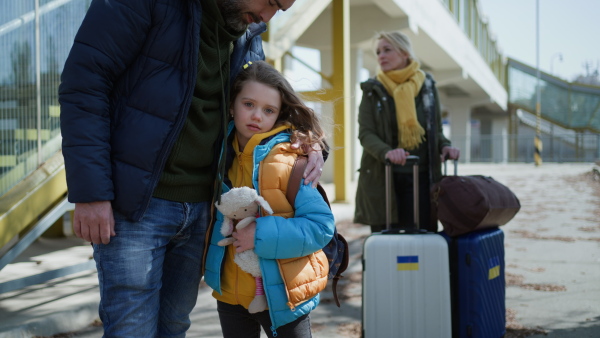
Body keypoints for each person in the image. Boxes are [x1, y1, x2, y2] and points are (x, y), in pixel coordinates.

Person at [58, 0, 325, 336]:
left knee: (173, 326)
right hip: (136, 206)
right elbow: (85, 85)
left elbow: (265, 105)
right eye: (271, 1)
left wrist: (311, 142)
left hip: (204, 210)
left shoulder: (247, 28)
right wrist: (92, 192)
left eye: (281, 9)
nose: (268, 16)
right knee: (131, 329)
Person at [203, 61, 335, 338]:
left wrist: (259, 234)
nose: (256, 116)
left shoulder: (291, 160)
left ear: (278, 114)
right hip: (229, 293)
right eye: (248, 104)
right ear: (231, 105)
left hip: (284, 295)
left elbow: (321, 227)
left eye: (268, 110)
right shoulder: (216, 155)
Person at [353, 31, 460, 233]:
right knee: (385, 242)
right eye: (378, 52)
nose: (381, 56)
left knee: (423, 238)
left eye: (387, 50)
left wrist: (445, 146)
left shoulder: (427, 86)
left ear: (404, 53)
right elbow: (366, 133)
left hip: (422, 177)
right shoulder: (372, 89)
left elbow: (435, 130)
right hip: (383, 177)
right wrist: (387, 152)